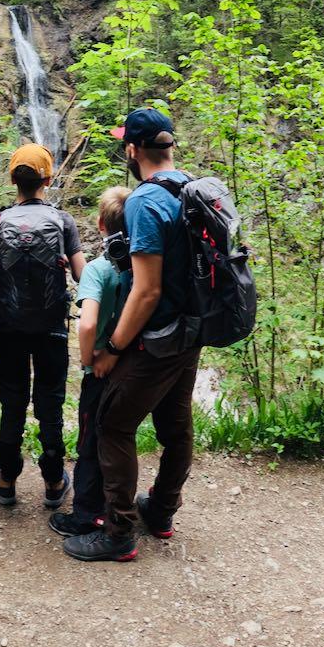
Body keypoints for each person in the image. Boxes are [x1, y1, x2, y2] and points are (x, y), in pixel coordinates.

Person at [63, 108, 200, 563]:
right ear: (171, 146)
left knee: (112, 423)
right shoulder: (192, 187)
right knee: (176, 427)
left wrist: (112, 349)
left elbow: (147, 291)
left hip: (158, 337)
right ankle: (161, 510)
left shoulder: (144, 201)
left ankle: (119, 531)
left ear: (132, 150)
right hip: (191, 333)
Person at [0, 144, 85, 508]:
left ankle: (7, 478)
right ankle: (55, 481)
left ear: (13, 179)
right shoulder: (63, 221)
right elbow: (81, 275)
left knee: (12, 403)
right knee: (50, 404)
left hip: (10, 328)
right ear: (48, 178)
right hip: (52, 329)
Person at [49, 186, 132, 538]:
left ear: (100, 224)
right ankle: (117, 508)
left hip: (99, 371)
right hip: (131, 366)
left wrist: (89, 357)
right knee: (116, 439)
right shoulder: (141, 265)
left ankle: (85, 515)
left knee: (89, 443)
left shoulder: (98, 270)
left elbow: (87, 322)